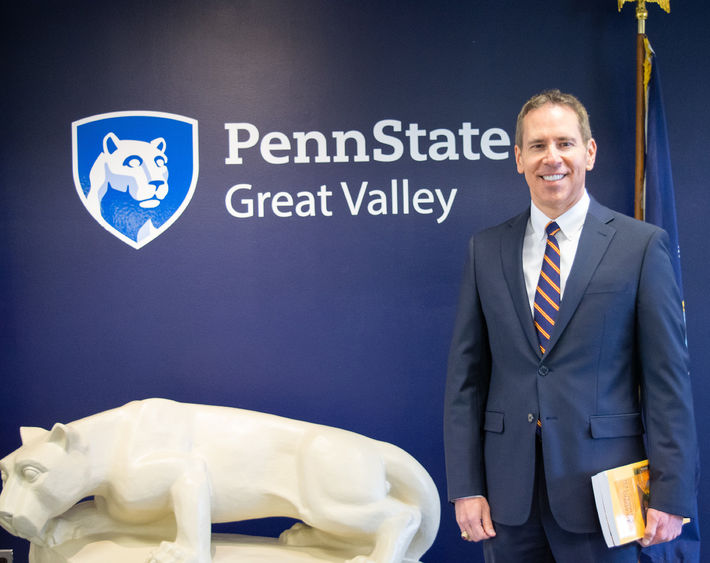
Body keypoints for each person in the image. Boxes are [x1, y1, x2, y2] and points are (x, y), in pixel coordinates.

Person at [443, 89, 697, 562]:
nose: (551, 158)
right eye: (537, 146)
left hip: (604, 496)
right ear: (519, 158)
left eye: (565, 143)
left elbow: (666, 382)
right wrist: (465, 487)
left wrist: (672, 491)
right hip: (506, 502)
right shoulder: (486, 249)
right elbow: (466, 382)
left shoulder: (641, 246)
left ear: (590, 152)